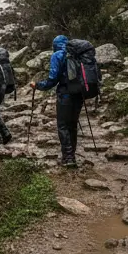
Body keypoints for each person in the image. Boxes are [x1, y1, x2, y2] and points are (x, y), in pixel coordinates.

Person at [31, 34, 82, 167]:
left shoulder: (57, 55)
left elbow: (52, 79)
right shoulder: (76, 53)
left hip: (65, 95)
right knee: (72, 125)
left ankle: (68, 158)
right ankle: (71, 155)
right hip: (79, 95)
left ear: (54, 45)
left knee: (63, 125)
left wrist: (37, 85)